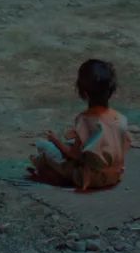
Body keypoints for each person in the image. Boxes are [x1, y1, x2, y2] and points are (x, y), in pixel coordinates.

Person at [28, 59, 132, 190]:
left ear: (84, 93)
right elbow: (120, 143)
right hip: (115, 175)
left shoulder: (84, 119)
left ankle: (43, 170)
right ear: (111, 91)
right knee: (72, 147)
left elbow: (73, 155)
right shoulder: (121, 118)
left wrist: (55, 140)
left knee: (45, 149)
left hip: (89, 178)